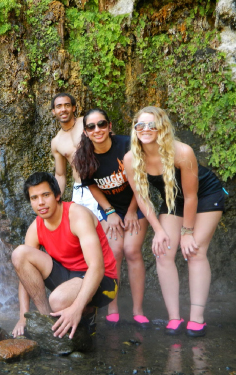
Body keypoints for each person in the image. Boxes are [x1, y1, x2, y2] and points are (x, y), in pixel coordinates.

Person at [123, 106, 225, 337]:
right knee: (163, 251)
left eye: (152, 124)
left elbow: (191, 196)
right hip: (173, 200)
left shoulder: (182, 152)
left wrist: (187, 232)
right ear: (135, 130)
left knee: (194, 251)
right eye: (141, 125)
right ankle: (174, 318)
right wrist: (158, 230)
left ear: (162, 127)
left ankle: (197, 319)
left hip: (206, 196)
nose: (146, 129)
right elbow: (142, 198)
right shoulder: (131, 158)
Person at [11, 172, 118, 339]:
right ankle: (47, 320)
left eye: (45, 195)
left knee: (58, 300)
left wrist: (76, 308)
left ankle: (87, 312)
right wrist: (23, 317)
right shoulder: (35, 228)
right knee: (20, 254)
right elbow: (23, 273)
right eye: (34, 198)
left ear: (57, 195)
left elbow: (97, 267)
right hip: (69, 277)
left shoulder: (77, 215)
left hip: (104, 280)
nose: (40, 203)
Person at [72, 108, 150, 328]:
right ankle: (112, 307)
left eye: (102, 124)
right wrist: (109, 212)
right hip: (110, 209)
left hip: (138, 203)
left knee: (132, 251)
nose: (97, 130)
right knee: (114, 251)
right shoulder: (83, 156)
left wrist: (133, 210)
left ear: (110, 126)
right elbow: (92, 187)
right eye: (91, 126)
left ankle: (138, 310)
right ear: (86, 132)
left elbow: (142, 182)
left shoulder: (127, 145)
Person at [50, 93, 102, 220]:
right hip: (79, 191)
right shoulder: (56, 142)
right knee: (82, 231)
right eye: (59, 106)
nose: (63, 109)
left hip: (100, 184)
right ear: (53, 111)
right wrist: (56, 199)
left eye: (67, 105)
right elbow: (60, 175)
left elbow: (110, 142)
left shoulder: (88, 123)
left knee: (106, 230)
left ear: (73, 108)